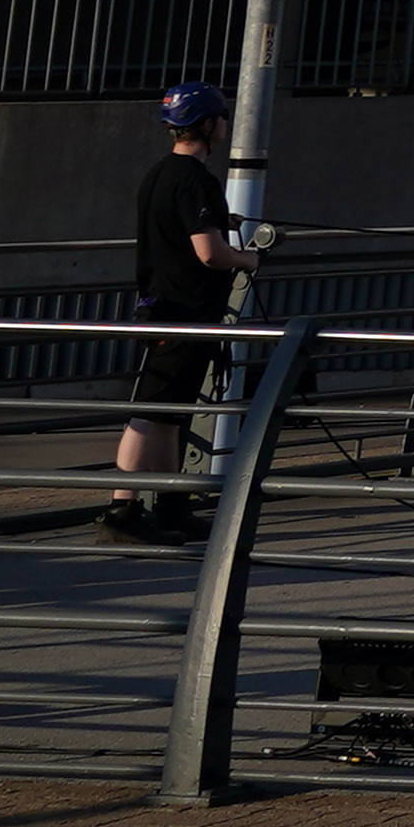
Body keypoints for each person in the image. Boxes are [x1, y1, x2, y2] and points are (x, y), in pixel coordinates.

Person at [108, 85, 243, 546]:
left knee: (168, 413)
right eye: (221, 117)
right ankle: (121, 508)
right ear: (207, 125)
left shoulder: (159, 174)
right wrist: (246, 259)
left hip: (162, 304)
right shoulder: (196, 180)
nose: (224, 124)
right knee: (150, 410)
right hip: (184, 311)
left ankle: (171, 503)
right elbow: (208, 253)